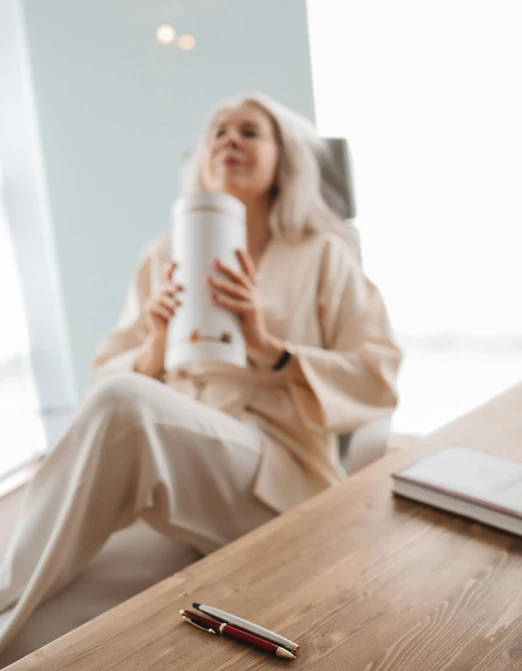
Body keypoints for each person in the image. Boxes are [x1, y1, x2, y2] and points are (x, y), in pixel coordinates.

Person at [0, 93, 401, 654]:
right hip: (171, 471)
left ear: (285, 160)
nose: (229, 140)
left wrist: (271, 347)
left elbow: (377, 372)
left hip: (274, 473)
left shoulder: (323, 256)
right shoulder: (164, 255)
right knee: (46, 625)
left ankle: (2, 583)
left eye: (249, 132)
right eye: (217, 131)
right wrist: (156, 345)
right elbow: (110, 368)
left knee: (125, 405)